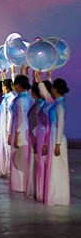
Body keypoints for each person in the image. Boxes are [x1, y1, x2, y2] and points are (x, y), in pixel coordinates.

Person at [45, 78, 69, 206]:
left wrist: (58, 144)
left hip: (57, 138)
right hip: (53, 137)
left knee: (57, 168)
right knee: (53, 168)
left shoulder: (60, 105)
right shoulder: (56, 103)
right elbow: (45, 94)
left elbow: (60, 125)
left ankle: (59, 197)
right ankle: (53, 196)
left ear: (55, 89)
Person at [9, 75, 33, 193]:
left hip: (19, 131)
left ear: (18, 85)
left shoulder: (20, 100)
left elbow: (21, 118)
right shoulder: (28, 98)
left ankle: (19, 185)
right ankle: (24, 184)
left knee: (18, 157)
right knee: (24, 157)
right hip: (27, 130)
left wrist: (17, 135)